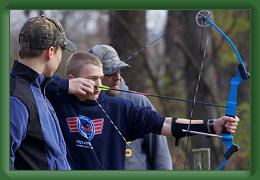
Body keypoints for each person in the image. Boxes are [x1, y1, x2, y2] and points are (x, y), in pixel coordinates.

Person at [46, 51, 239, 170]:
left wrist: (212, 126)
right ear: (73, 78)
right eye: (91, 78)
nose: (97, 84)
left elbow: (165, 124)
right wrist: (65, 87)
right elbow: (27, 80)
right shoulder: (55, 100)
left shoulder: (119, 108)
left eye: (100, 78)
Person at [10, 15, 79, 170]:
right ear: (51, 52)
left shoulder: (37, 87)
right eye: (62, 50)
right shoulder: (17, 98)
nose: (61, 57)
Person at [89, 44, 172, 170]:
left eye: (119, 70)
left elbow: (161, 157)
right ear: (94, 77)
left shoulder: (138, 102)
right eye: (110, 72)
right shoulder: (82, 106)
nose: (117, 77)